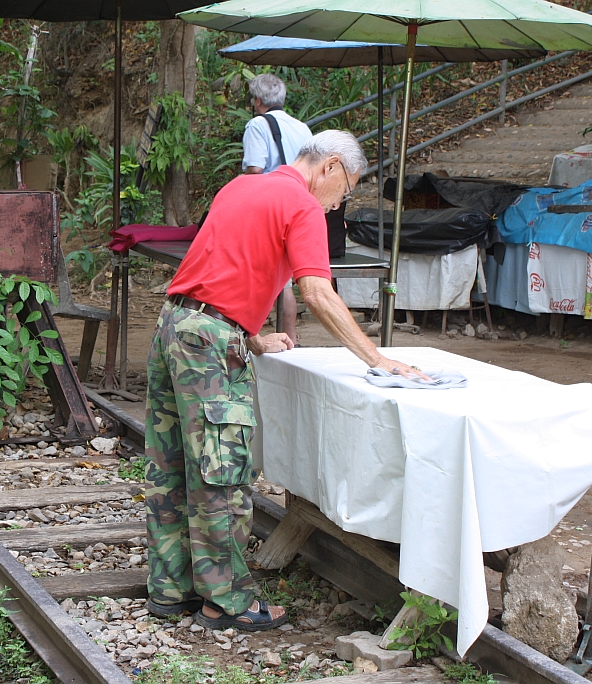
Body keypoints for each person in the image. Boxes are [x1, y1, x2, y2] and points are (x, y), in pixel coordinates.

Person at [144, 130, 425, 631]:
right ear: (331, 166)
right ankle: (226, 601)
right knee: (220, 470)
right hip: (210, 343)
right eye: (345, 190)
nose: (339, 203)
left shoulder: (241, 186)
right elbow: (316, 290)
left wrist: (251, 336)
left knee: (172, 464)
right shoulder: (302, 205)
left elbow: (217, 269)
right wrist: (377, 358)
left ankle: (171, 588)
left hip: (174, 325)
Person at [242, 73, 314, 345]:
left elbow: (255, 170)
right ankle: (291, 338)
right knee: (285, 280)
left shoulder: (257, 125)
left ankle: (250, 338)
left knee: (260, 278)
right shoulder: (302, 127)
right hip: (298, 206)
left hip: (269, 209)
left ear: (258, 101)